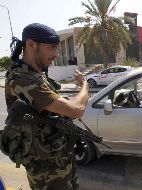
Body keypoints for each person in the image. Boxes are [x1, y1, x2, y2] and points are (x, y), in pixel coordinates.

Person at [4, 23, 89, 189]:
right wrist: (84, 85)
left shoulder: (36, 75)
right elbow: (76, 110)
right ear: (30, 45)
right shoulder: (21, 78)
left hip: (59, 159)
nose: (56, 54)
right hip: (46, 171)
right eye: (51, 47)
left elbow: (55, 106)